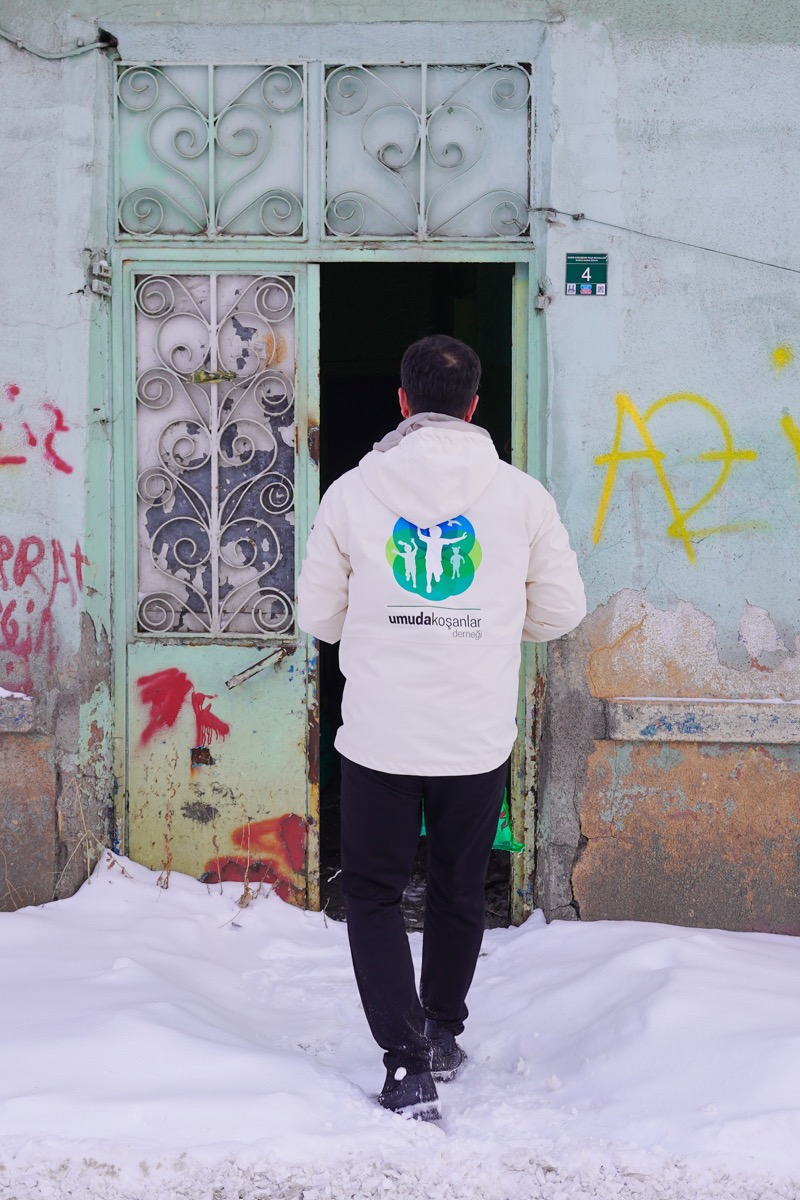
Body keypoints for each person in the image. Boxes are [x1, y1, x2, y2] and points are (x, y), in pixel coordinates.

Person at [297, 334, 586, 1121]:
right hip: (474, 734)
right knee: (460, 888)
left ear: (402, 401)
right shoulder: (522, 497)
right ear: (475, 406)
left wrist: (383, 621)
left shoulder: (352, 493)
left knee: (374, 893)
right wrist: (488, 625)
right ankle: (443, 1033)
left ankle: (405, 1063)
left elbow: (319, 615)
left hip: (381, 736)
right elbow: (561, 610)